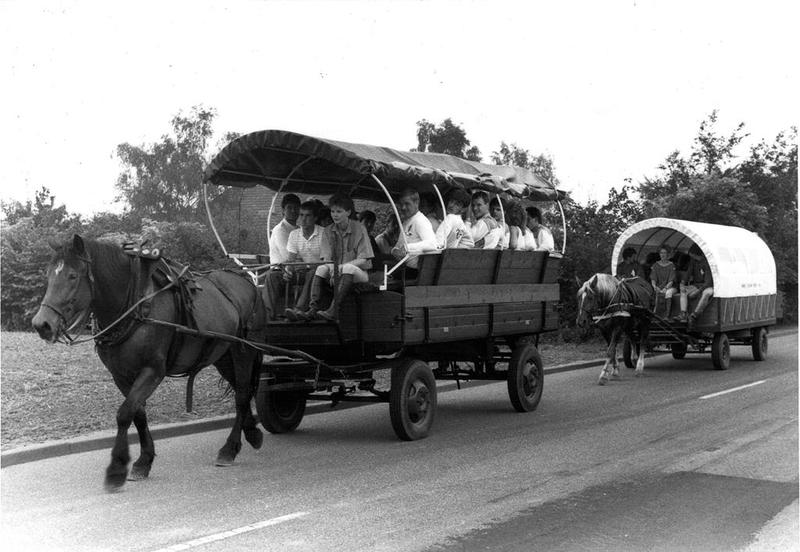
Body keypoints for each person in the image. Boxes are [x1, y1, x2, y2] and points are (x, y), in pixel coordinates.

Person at [299, 193, 374, 322]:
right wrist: (333, 269)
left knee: (348, 268)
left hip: (359, 273)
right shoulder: (328, 230)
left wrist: (339, 268)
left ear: (348, 212)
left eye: (339, 211)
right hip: (336, 271)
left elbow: (363, 259)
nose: (335, 215)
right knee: (321, 268)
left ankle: (333, 311)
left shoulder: (359, 229)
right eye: (333, 211)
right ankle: (312, 309)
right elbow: (326, 258)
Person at [383, 188, 439, 278]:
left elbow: (433, 244)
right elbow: (399, 245)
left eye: (407, 204)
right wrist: (395, 250)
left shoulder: (420, 221)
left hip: (413, 272)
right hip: (401, 266)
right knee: (376, 260)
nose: (403, 208)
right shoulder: (407, 221)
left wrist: (407, 248)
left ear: (416, 203)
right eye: (401, 204)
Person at [283, 201, 324, 321]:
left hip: (321, 273)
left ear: (315, 218)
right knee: (272, 276)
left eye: (307, 215)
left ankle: (299, 309)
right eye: (301, 215)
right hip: (303, 272)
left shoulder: (324, 233)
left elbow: (326, 261)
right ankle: (267, 314)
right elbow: (291, 260)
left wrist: (305, 266)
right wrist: (288, 271)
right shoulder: (294, 234)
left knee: (313, 272)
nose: (303, 219)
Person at [263, 193, 300, 319]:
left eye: (296, 208)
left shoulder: (299, 229)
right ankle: (268, 316)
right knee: (273, 276)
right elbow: (288, 257)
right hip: (281, 272)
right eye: (289, 208)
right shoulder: (280, 230)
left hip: (297, 269)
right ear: (283, 210)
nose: (293, 211)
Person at [675, 243, 714, 325]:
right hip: (697, 285)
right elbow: (688, 273)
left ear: (698, 254)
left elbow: (708, 282)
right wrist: (682, 283)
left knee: (706, 293)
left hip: (708, 286)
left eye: (693, 255)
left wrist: (697, 291)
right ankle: (683, 313)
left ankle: (695, 315)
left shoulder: (707, 263)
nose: (691, 257)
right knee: (683, 290)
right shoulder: (693, 261)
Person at [650, 246, 677, 319]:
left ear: (668, 254)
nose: (663, 254)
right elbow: (653, 278)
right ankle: (655, 315)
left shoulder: (671, 265)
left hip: (670, 287)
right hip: (659, 287)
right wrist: (654, 286)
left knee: (668, 293)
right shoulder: (655, 265)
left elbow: (671, 281)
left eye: (665, 253)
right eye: (661, 253)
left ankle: (666, 316)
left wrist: (665, 288)